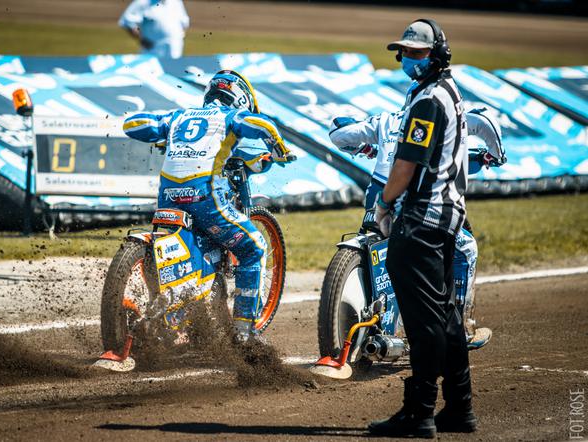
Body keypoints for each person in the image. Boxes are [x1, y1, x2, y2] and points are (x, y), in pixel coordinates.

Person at [356, 19, 473, 438]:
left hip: (421, 219)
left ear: (437, 55)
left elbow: (405, 165)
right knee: (445, 316)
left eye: (418, 52)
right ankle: (460, 407)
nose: (408, 58)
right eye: (405, 51)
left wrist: (383, 204)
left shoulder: (427, 100)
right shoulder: (449, 91)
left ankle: (419, 411)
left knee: (424, 322)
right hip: (446, 217)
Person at [123, 70, 292, 341]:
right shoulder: (231, 116)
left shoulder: (179, 117)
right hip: (204, 199)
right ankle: (244, 333)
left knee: (187, 242)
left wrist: (161, 136)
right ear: (240, 99)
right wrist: (280, 147)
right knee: (254, 247)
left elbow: (132, 125)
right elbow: (264, 126)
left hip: (168, 197)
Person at [329, 107, 506, 350]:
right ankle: (462, 329)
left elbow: (339, 132)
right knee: (466, 248)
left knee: (378, 242)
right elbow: (485, 122)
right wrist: (496, 155)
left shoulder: (386, 119)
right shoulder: (448, 115)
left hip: (377, 198)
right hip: (414, 200)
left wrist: (364, 148)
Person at [119, 0, 189, 59]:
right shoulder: (143, 2)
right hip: (153, 48)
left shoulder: (176, 2)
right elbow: (128, 22)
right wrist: (141, 38)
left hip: (175, 48)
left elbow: (184, 21)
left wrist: (179, 37)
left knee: (173, 73)